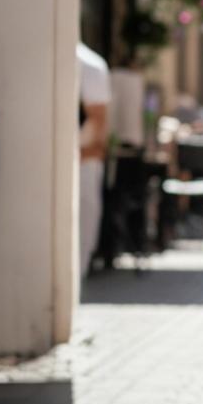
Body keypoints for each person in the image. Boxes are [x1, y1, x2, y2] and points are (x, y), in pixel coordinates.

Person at [77, 39, 112, 281]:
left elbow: (97, 118)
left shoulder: (89, 65)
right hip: (80, 156)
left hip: (82, 158)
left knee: (84, 219)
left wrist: (81, 153)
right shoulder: (89, 64)